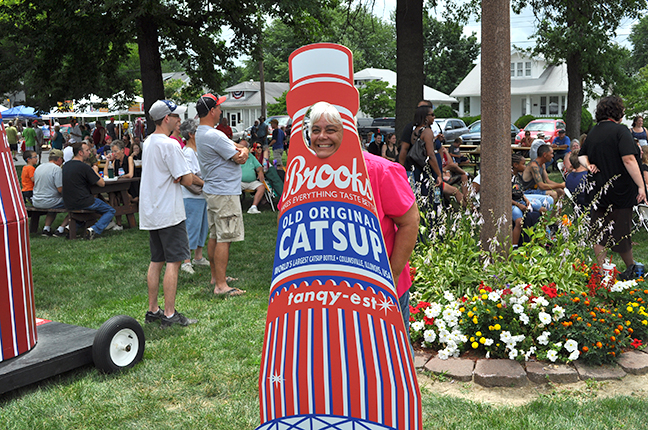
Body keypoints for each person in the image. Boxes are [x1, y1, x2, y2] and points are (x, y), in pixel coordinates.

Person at [307, 101, 419, 339]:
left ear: (347, 132)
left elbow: (409, 222)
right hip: (328, 292)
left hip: (380, 290)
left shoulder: (380, 171)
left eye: (331, 129)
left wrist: (393, 275)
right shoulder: (304, 173)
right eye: (316, 130)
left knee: (390, 362)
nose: (322, 136)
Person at [140, 99, 197, 328]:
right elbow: (187, 178)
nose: (179, 121)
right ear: (167, 119)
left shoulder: (148, 142)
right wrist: (183, 176)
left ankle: (153, 310)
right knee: (173, 262)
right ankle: (170, 315)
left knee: (156, 261)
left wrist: (180, 176)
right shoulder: (170, 144)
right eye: (176, 117)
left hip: (152, 210)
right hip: (169, 212)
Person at [578, 95, 647, 280]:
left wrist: (587, 165)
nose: (624, 113)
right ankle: (630, 267)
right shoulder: (620, 131)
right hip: (619, 189)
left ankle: (602, 270)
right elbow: (629, 159)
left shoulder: (593, 131)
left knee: (598, 229)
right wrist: (641, 186)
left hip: (597, 188)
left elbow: (581, 156)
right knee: (622, 230)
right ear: (616, 112)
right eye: (622, 110)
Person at [195, 93, 248, 296]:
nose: (220, 111)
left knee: (215, 236)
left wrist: (242, 149)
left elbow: (239, 150)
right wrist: (244, 150)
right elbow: (240, 156)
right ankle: (221, 286)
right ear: (212, 112)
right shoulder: (214, 135)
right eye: (218, 107)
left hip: (213, 190)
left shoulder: (202, 132)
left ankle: (216, 277)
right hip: (224, 192)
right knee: (224, 237)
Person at [61, 142, 116, 240]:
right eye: (87, 150)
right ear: (80, 153)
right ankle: (94, 229)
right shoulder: (84, 167)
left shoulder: (66, 165)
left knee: (87, 212)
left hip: (68, 201)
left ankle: (71, 228)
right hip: (84, 200)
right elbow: (101, 184)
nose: (89, 152)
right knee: (110, 210)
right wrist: (95, 170)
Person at [178, 119, 210, 275]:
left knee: (202, 227)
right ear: (191, 134)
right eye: (197, 131)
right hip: (191, 197)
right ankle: (186, 261)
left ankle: (198, 257)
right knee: (191, 228)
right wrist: (205, 183)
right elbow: (189, 175)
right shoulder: (188, 152)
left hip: (201, 196)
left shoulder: (197, 151)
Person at [32, 149, 70, 237]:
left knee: (53, 202)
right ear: (59, 159)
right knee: (75, 203)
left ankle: (46, 228)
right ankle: (61, 229)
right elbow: (60, 190)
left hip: (36, 200)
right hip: (49, 202)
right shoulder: (56, 169)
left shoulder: (39, 167)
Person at [410, 105, 443, 199]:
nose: (434, 117)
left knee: (422, 195)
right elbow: (430, 154)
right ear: (425, 117)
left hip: (418, 166)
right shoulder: (427, 131)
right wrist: (439, 174)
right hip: (430, 168)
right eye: (432, 115)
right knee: (433, 197)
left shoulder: (415, 131)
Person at [240, 140, 265, 214]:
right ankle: (236, 207)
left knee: (261, 187)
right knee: (233, 187)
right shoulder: (236, 157)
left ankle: (253, 207)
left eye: (244, 147)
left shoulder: (251, 156)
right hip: (239, 182)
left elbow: (259, 166)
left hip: (252, 181)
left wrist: (260, 171)